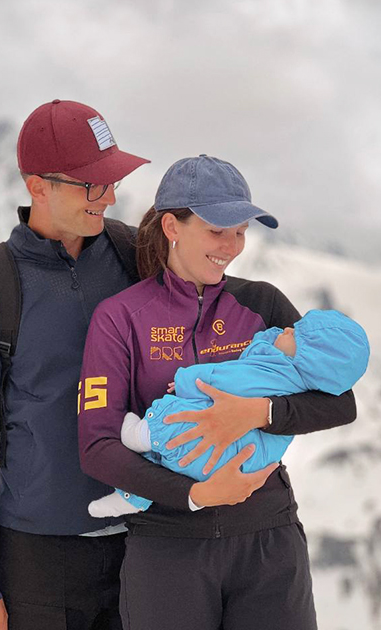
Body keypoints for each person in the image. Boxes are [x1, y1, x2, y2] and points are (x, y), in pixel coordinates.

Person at [0, 103, 289, 630]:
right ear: (38, 187)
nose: (109, 197)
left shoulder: (137, 255)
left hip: (149, 545)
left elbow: (211, 294)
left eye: (111, 181)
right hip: (40, 560)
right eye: (92, 185)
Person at [78, 155, 359, 630]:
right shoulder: (120, 317)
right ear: (172, 225)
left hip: (268, 540)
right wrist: (196, 494)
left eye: (241, 231)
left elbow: (341, 403)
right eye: (217, 231)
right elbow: (98, 447)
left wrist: (257, 412)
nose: (232, 246)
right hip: (168, 549)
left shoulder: (262, 302)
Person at [88, 308, 370, 518]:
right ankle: (133, 498)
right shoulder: (307, 378)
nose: (286, 329)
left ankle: (141, 435)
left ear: (307, 358)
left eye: (295, 334)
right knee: (171, 455)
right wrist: (195, 496)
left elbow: (225, 378)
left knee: (177, 416)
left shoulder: (276, 368)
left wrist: (186, 380)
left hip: (222, 459)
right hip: (236, 465)